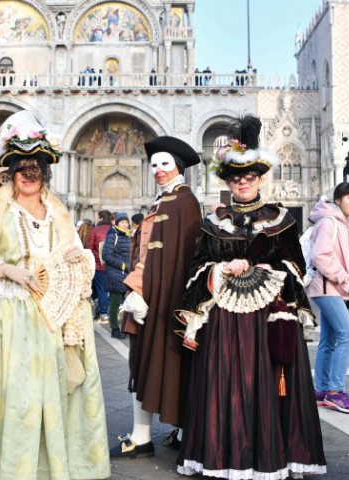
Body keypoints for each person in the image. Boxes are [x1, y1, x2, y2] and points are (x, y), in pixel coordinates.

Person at [0, 110, 110, 480]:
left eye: (38, 167)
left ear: (45, 172)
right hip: (1, 317)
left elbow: (74, 258)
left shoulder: (58, 213)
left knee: (39, 399)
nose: (30, 174)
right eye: (23, 167)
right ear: (11, 171)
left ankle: (41, 468)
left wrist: (77, 263)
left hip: (47, 319)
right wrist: (4, 269)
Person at [174, 115, 326, 478]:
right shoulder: (214, 223)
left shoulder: (282, 221)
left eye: (249, 177)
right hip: (225, 324)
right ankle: (223, 456)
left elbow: (296, 267)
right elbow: (197, 269)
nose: (243, 183)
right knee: (226, 385)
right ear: (228, 182)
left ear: (259, 179)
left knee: (268, 385)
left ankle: (276, 456)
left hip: (267, 322)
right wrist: (219, 270)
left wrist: (260, 267)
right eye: (236, 178)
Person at [110, 135, 202, 458]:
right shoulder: (165, 201)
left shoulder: (183, 202)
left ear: (177, 166)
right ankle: (146, 435)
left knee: (167, 364)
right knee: (145, 362)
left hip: (165, 300)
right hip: (151, 296)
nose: (158, 170)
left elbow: (179, 257)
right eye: (154, 165)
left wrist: (141, 289)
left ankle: (170, 433)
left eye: (165, 164)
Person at [308, 182, 349, 413]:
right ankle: (335, 392)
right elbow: (321, 256)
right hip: (326, 287)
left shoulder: (343, 223)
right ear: (338, 200)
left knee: (329, 340)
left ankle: (321, 390)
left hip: (331, 288)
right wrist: (345, 279)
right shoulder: (330, 222)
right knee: (348, 335)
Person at [102, 213, 132, 339]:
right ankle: (114, 328)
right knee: (115, 301)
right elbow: (106, 255)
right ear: (117, 223)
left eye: (126, 222)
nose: (125, 224)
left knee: (128, 301)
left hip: (127, 273)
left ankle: (127, 327)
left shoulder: (128, 235)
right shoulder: (112, 235)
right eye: (122, 222)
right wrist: (123, 266)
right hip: (116, 273)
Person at [87, 210, 112, 322]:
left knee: (101, 290)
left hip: (99, 265)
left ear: (101, 218)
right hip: (114, 265)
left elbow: (89, 249)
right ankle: (111, 312)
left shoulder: (95, 230)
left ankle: (103, 314)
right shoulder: (115, 230)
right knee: (112, 290)